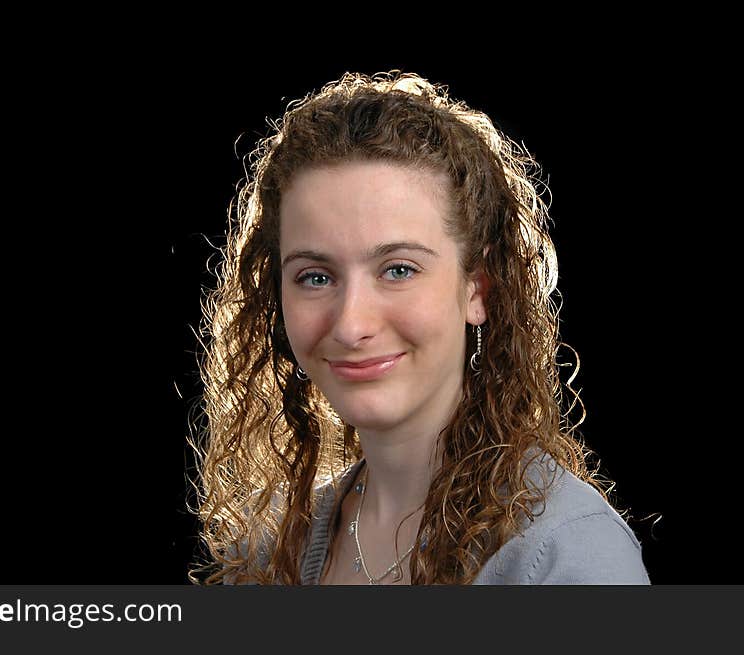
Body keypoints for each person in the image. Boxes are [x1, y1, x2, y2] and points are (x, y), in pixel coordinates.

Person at [186, 70, 650, 585]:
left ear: (478, 289)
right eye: (315, 277)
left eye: (398, 270)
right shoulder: (268, 554)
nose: (351, 323)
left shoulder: (569, 554)